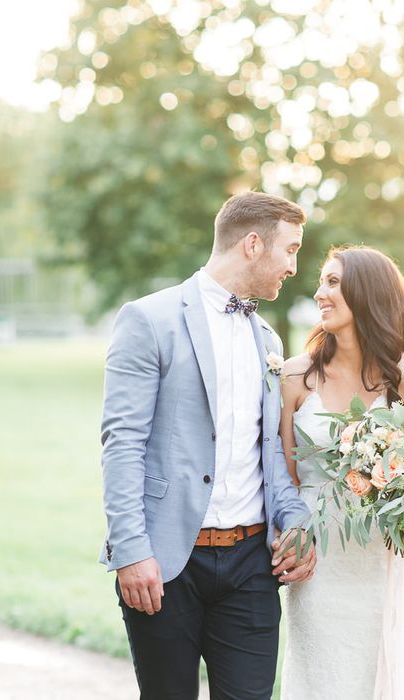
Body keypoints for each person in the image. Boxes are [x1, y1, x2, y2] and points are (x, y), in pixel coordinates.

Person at [99, 191, 316, 699]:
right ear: (254, 244)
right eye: (291, 249)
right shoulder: (148, 319)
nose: (293, 266)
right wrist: (131, 550)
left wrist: (297, 521)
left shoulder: (268, 340)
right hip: (166, 563)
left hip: (251, 568)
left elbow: (269, 454)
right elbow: (121, 442)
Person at [278, 246, 404, 699]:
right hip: (317, 555)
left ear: (367, 292)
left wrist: (398, 483)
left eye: (333, 282)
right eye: (321, 281)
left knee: (390, 669)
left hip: (384, 556)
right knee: (323, 675)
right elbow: (284, 476)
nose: (320, 292)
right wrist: (291, 536)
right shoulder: (295, 377)